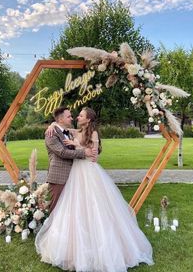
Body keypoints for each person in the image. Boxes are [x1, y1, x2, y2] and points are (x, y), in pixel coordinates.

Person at [36, 107, 154, 272]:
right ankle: (68, 244)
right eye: (73, 115)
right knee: (74, 208)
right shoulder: (73, 131)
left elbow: (94, 156)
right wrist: (52, 125)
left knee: (95, 206)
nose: (77, 117)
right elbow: (63, 131)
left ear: (88, 119)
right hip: (75, 173)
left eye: (81, 115)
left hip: (89, 172)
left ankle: (99, 245)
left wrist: (79, 147)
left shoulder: (93, 133)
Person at [44, 106, 96, 213]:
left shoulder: (71, 132)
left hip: (74, 175)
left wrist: (53, 123)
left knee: (68, 208)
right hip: (59, 176)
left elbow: (85, 132)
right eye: (69, 116)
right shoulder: (51, 133)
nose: (72, 118)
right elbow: (62, 152)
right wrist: (84, 152)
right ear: (61, 119)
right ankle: (51, 228)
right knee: (55, 207)